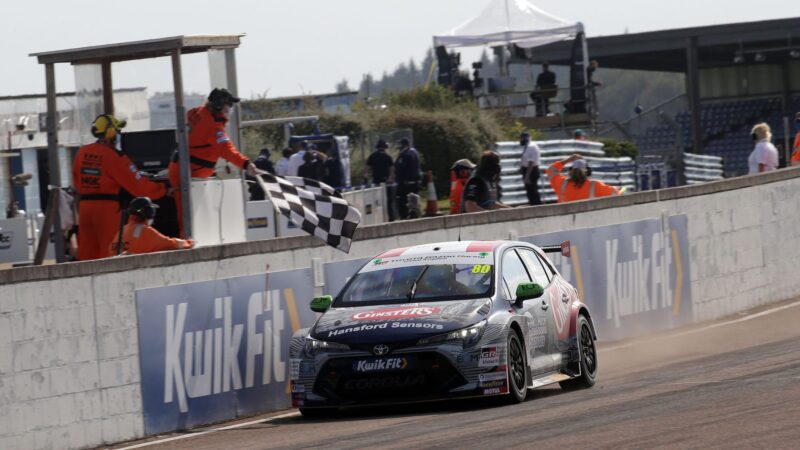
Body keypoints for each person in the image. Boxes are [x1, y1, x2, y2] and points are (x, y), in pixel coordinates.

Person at [72, 114, 167, 261]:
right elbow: (138, 185)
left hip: (85, 208)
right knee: (110, 251)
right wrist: (162, 189)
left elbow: (76, 182)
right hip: (106, 209)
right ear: (110, 133)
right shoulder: (113, 155)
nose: (118, 135)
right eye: (117, 131)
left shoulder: (81, 152)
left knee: (87, 253)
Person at [167, 88, 256, 236]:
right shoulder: (213, 127)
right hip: (188, 174)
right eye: (228, 105)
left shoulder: (199, 112)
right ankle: (187, 249)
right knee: (189, 219)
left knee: (190, 216)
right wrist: (246, 164)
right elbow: (227, 150)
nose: (230, 109)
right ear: (219, 106)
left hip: (184, 170)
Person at [109, 197, 193, 256]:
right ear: (149, 212)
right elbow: (168, 243)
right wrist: (187, 243)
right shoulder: (143, 230)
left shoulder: (123, 230)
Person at [546, 154, 619, 203]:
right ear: (588, 172)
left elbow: (551, 170)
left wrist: (568, 160)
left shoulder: (561, 184)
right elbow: (615, 193)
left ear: (571, 171)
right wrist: (616, 188)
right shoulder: (595, 186)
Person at [394, 138, 422, 220]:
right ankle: (415, 213)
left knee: (401, 200)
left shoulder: (404, 154)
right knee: (414, 199)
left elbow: (399, 167)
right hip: (415, 181)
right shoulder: (414, 152)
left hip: (405, 182)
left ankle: (405, 216)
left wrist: (397, 176)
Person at [519, 132, 542, 206]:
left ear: (525, 138)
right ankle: (534, 205)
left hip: (531, 171)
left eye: (521, 138)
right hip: (529, 170)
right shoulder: (529, 146)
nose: (520, 140)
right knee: (530, 191)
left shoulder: (531, 146)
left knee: (532, 191)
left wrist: (527, 175)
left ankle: (536, 206)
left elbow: (531, 162)